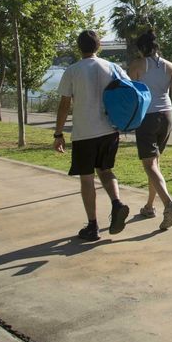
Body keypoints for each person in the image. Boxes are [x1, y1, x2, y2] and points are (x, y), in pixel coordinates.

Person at [54, 29, 129, 243]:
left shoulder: (73, 70)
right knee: (106, 170)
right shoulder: (113, 68)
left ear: (79, 47)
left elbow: (64, 104)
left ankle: (92, 225)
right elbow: (128, 91)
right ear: (99, 46)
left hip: (84, 133)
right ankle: (117, 203)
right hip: (109, 130)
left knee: (86, 178)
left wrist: (58, 133)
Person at [128, 29, 172, 230]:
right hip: (167, 117)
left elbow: (130, 93)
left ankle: (168, 204)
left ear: (142, 48)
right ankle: (149, 206)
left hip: (147, 117)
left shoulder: (137, 65)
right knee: (155, 163)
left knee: (149, 165)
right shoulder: (171, 67)